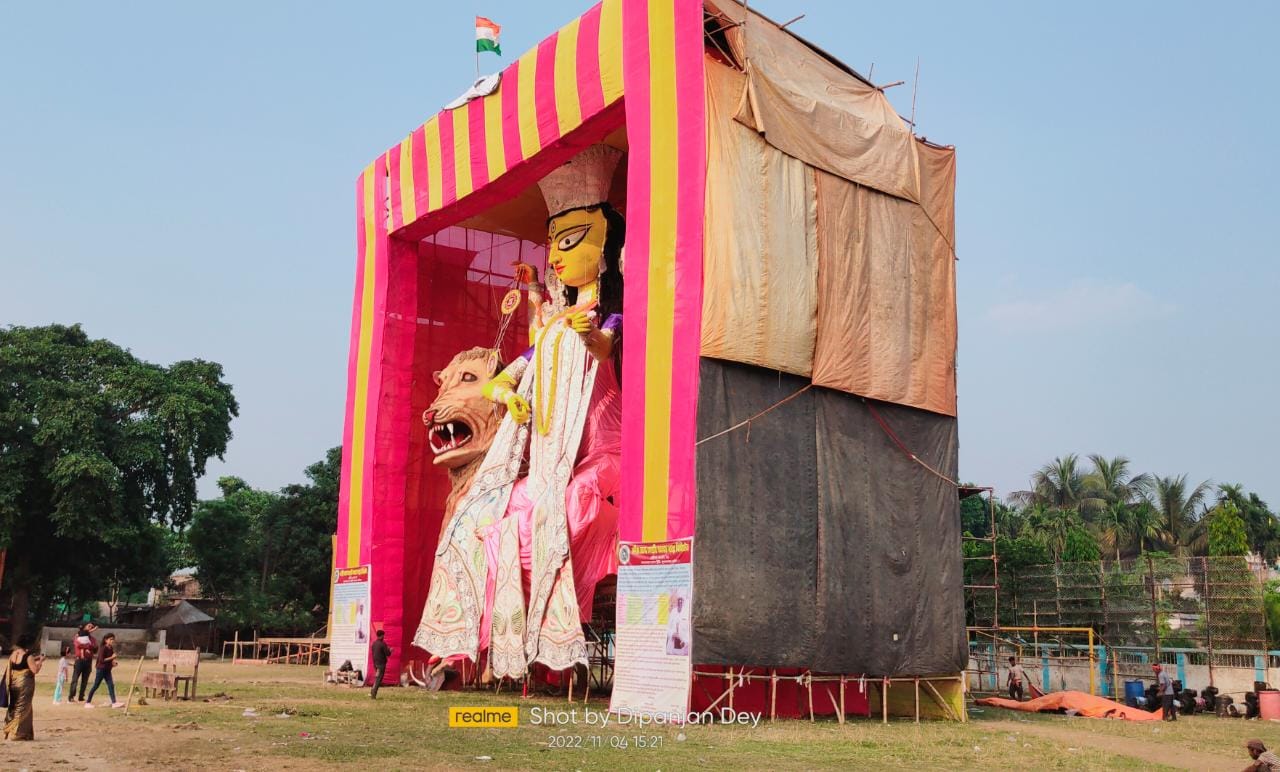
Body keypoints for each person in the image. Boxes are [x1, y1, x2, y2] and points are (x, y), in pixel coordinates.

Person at [5, 633, 45, 740]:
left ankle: (10, 730)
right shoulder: (28, 656)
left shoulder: (13, 654)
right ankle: (18, 733)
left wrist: (35, 659)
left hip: (14, 684)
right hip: (25, 685)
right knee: (24, 707)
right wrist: (40, 661)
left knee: (14, 706)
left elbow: (18, 666)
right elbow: (35, 670)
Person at [84, 632, 123, 708]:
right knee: (96, 685)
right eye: (110, 639)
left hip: (107, 670)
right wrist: (112, 658)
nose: (112, 641)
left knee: (111, 685)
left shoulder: (110, 648)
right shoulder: (103, 648)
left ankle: (114, 702)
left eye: (113, 639)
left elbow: (110, 659)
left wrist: (113, 662)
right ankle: (87, 702)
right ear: (106, 640)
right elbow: (102, 660)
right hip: (101, 669)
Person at [69, 622, 98, 702]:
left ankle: (81, 696)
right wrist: (88, 647)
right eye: (89, 626)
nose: (90, 628)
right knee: (75, 679)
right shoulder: (77, 636)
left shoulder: (92, 639)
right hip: (79, 660)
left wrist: (89, 647)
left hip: (88, 660)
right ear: (84, 627)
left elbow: (95, 648)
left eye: (92, 627)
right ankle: (71, 696)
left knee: (85, 680)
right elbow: (78, 645)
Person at [370, 629, 392, 699]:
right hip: (381, 665)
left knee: (377, 678)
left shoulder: (374, 644)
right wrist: (390, 650)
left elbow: (373, 654)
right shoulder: (382, 644)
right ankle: (373, 693)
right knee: (378, 679)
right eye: (383, 635)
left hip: (376, 664)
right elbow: (388, 654)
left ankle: (372, 691)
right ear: (382, 635)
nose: (384, 637)